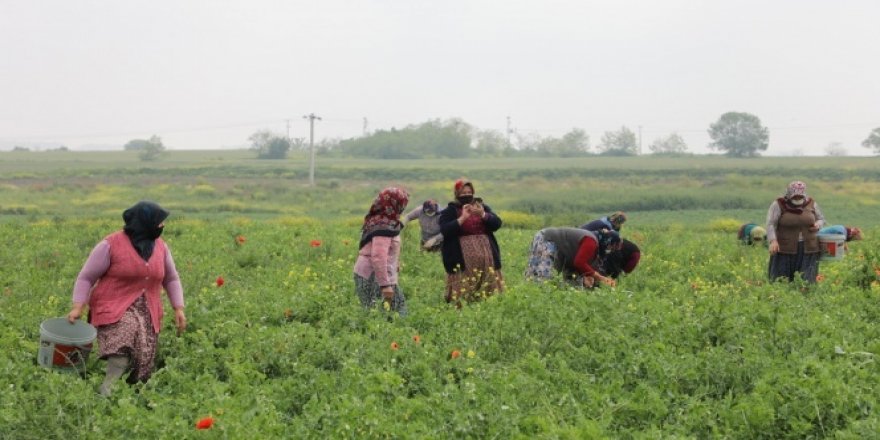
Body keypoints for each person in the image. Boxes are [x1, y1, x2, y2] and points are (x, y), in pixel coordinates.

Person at [66, 201, 186, 397]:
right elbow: (86, 277)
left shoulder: (161, 248)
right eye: (159, 222)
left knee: (141, 361)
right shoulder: (110, 244)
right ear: (144, 222)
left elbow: (171, 278)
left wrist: (178, 308)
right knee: (123, 347)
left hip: (148, 312)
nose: (162, 226)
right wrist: (78, 307)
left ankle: (124, 403)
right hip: (113, 308)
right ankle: (106, 391)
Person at [439, 179, 504, 305]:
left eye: (469, 192)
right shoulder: (451, 210)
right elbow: (445, 230)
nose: (466, 195)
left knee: (487, 287)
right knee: (463, 289)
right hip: (461, 257)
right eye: (463, 193)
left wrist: (483, 214)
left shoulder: (481, 207)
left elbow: (497, 224)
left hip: (486, 254)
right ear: (457, 194)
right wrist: (463, 218)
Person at [353, 187, 409, 316]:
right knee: (396, 312)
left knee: (376, 313)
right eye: (401, 204)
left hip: (376, 274)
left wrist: (395, 263)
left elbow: (384, 251)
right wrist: (385, 285)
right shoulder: (384, 225)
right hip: (373, 276)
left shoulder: (381, 220)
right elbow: (378, 257)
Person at [766, 181, 825, 283]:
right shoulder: (779, 204)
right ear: (789, 194)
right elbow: (771, 224)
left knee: (807, 280)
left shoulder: (811, 203)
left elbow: (821, 219)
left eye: (800, 197)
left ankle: (806, 296)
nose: (798, 199)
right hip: (785, 248)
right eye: (795, 197)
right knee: (782, 280)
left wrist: (818, 225)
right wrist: (773, 241)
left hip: (809, 247)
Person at [525, 227, 622, 288]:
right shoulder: (591, 241)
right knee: (540, 278)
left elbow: (577, 265)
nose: (610, 250)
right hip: (546, 239)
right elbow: (579, 262)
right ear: (607, 241)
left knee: (569, 282)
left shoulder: (595, 245)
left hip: (552, 243)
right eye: (611, 246)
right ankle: (529, 296)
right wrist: (601, 278)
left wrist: (587, 277)